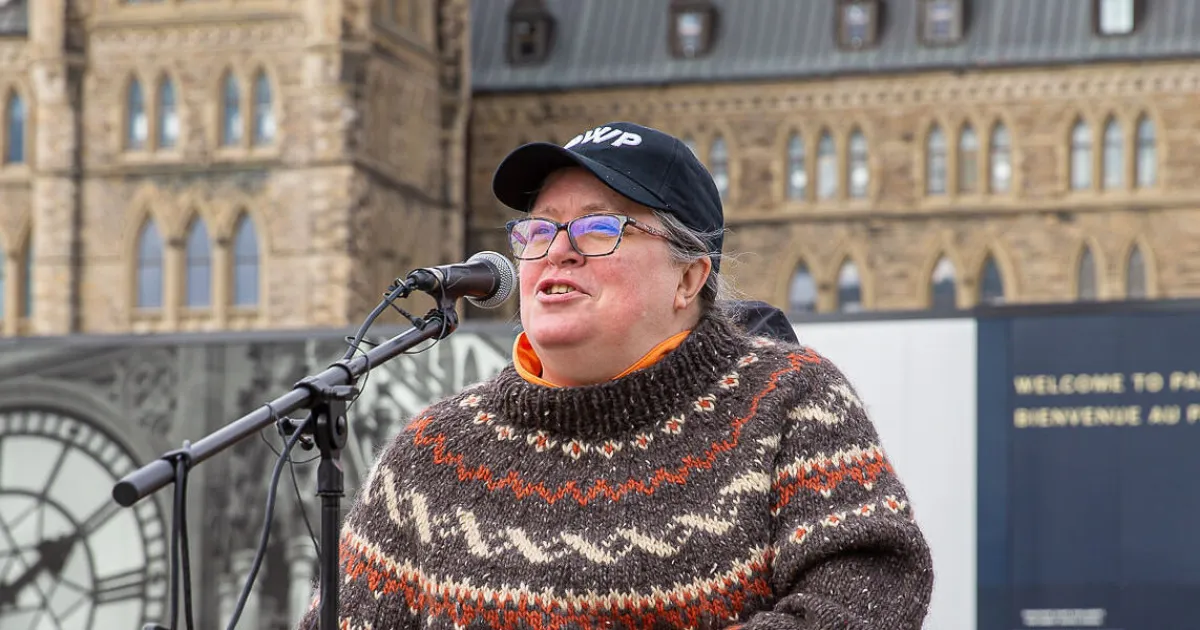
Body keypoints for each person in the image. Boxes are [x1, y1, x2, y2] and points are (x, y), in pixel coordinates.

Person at [297, 122, 933, 629]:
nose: (558, 248)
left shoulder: (790, 401)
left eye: (599, 227)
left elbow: (870, 585)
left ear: (689, 277)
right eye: (539, 229)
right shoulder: (434, 453)